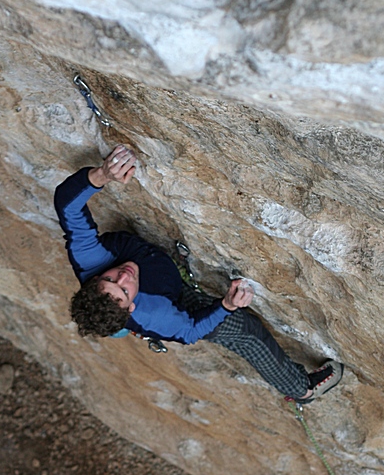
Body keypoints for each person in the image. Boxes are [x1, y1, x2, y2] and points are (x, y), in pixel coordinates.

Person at [54, 145, 344, 402]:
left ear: (95, 279)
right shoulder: (152, 314)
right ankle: (302, 389)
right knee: (244, 330)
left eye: (110, 279)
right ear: (131, 306)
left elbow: (66, 203)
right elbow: (190, 331)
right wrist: (226, 305)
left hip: (158, 276)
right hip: (175, 297)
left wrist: (103, 174)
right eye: (124, 291)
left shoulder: (89, 258)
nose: (124, 276)